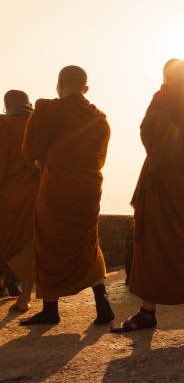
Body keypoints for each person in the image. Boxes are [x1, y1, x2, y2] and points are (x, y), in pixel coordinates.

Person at [112, 59, 184, 333]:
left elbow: (149, 136)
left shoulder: (164, 98)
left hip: (162, 182)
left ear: (167, 78)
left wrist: (162, 98)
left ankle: (147, 312)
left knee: (151, 243)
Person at [20, 66, 114, 325]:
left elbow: (30, 150)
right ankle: (101, 300)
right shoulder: (100, 119)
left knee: (49, 243)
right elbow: (100, 159)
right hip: (88, 190)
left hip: (56, 188)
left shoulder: (48, 110)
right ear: (85, 89)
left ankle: (50, 308)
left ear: (59, 84)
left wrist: (43, 165)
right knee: (88, 243)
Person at [0, 90, 38, 312]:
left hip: (8, 196)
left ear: (7, 105)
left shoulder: (4, 124)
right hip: (35, 195)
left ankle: (9, 278)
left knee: (4, 241)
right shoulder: (40, 126)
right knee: (30, 247)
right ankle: (25, 298)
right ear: (29, 103)